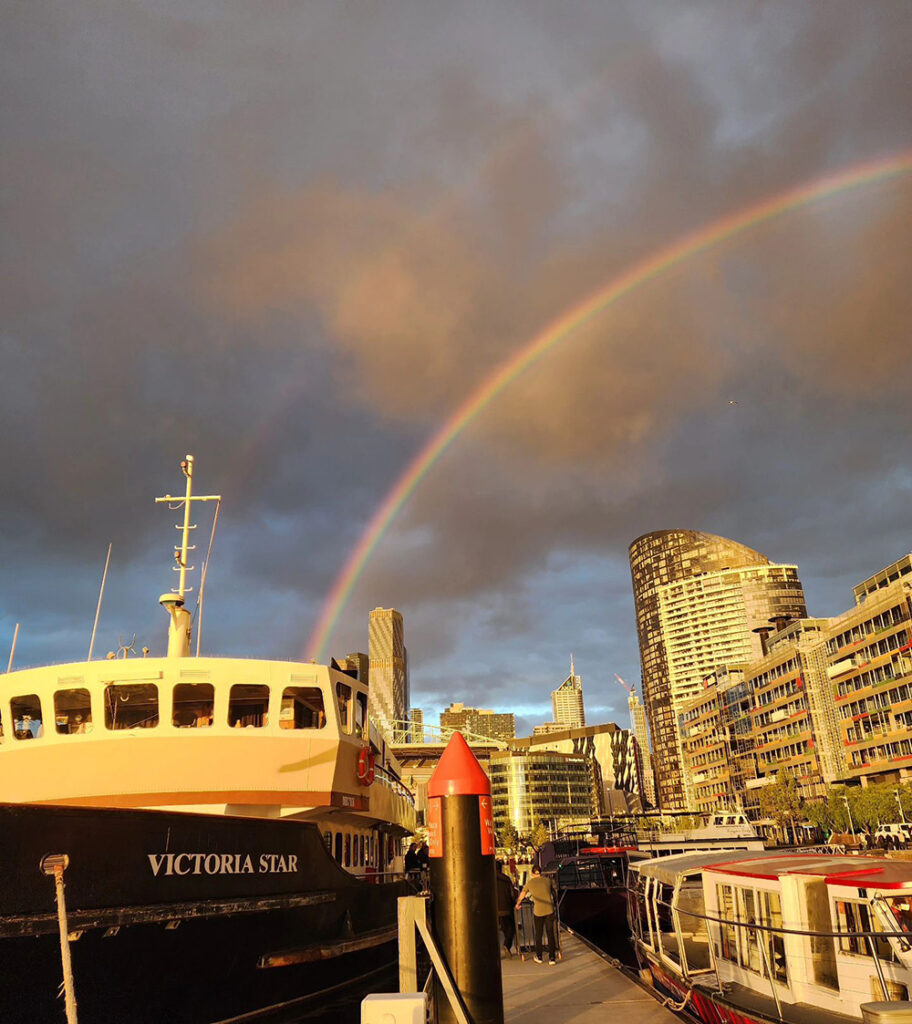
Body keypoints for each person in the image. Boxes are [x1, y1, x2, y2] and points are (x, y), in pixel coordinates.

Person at [516, 865, 557, 965]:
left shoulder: (530, 883)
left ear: (532, 873)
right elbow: (554, 892)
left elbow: (522, 894)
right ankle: (552, 958)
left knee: (538, 934)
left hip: (538, 911)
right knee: (550, 933)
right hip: (549, 910)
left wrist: (518, 904)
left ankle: (539, 957)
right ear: (541, 872)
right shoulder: (547, 880)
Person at [494, 860, 516, 958]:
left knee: (500, 929)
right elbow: (512, 894)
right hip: (506, 908)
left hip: (494, 909)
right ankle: (507, 945)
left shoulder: (488, 879)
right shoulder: (506, 879)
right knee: (510, 928)